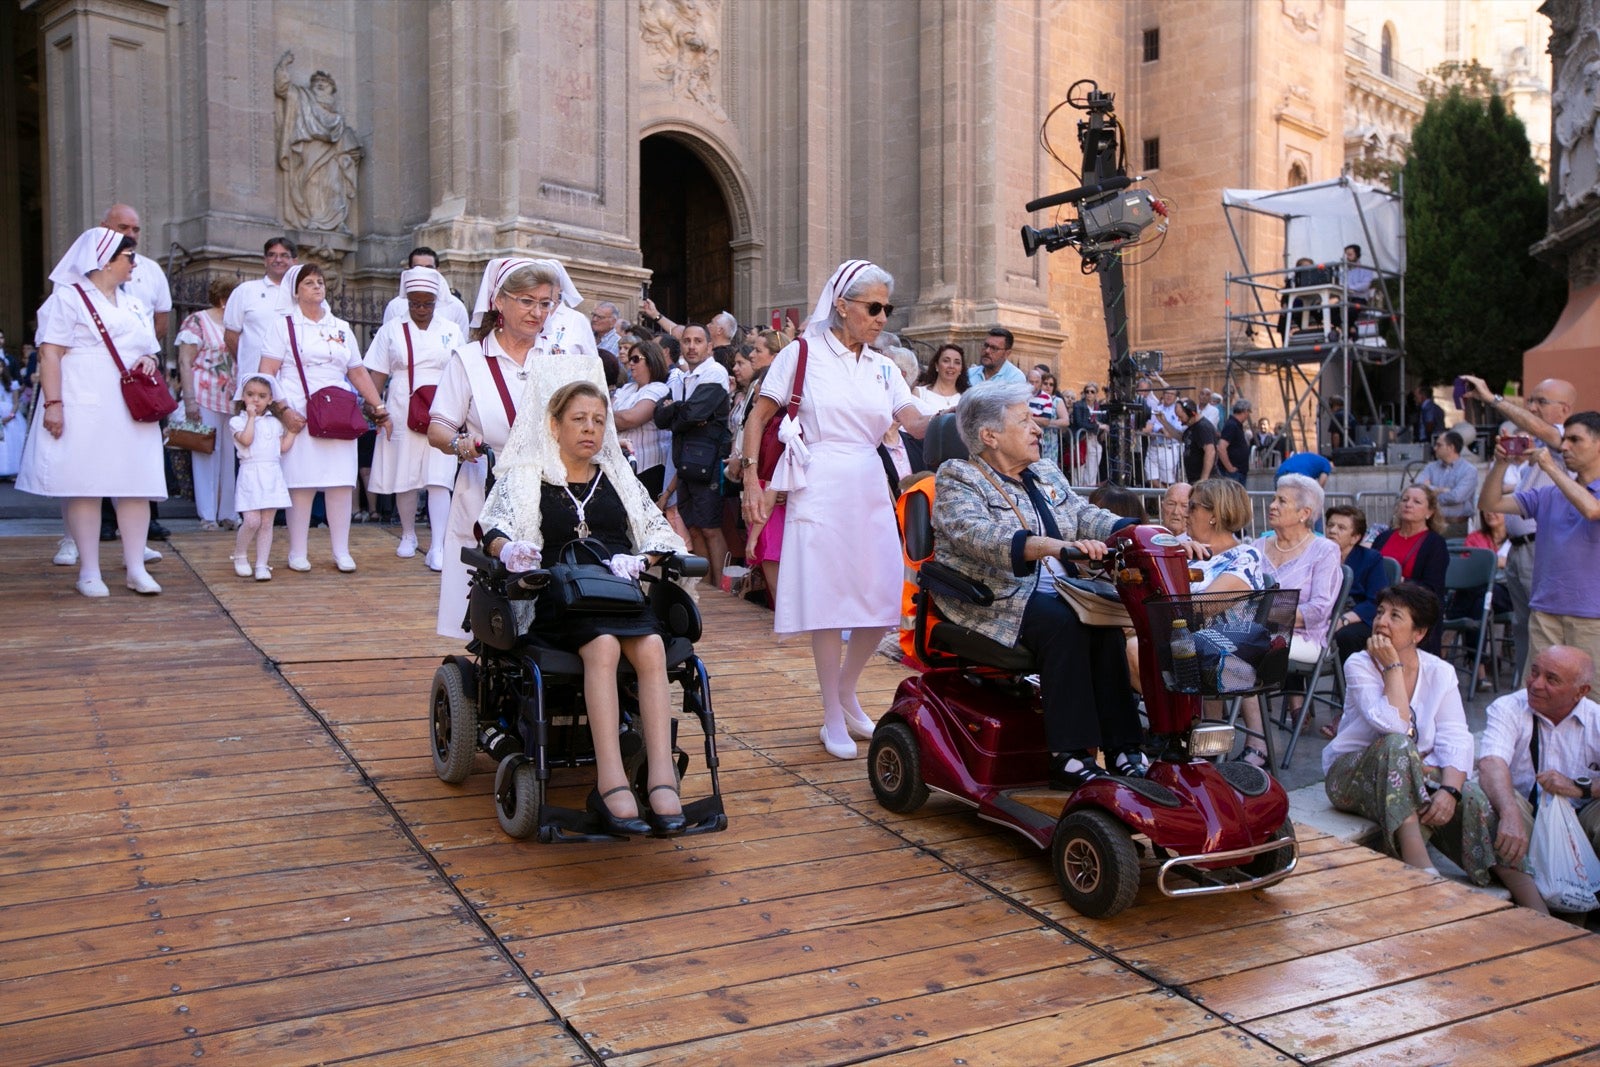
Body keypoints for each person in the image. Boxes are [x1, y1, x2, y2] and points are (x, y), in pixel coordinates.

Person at [739, 260, 932, 759]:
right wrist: (750, 482)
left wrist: (969, 418)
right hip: (818, 480)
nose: (882, 317)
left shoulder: (884, 366)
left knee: (882, 594)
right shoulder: (802, 354)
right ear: (842, 305)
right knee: (827, 601)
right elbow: (759, 417)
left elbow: (913, 422)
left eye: (887, 308)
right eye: (873, 307)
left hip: (868, 482)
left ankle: (847, 690)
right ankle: (830, 713)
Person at [479, 381, 689, 835]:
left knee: (652, 646)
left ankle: (660, 776)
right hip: (558, 594)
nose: (590, 429)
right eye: (579, 420)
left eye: (598, 421)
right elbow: (491, 526)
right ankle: (610, 778)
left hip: (616, 588)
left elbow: (657, 530)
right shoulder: (526, 475)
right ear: (554, 426)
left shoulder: (617, 475)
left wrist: (642, 559)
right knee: (604, 647)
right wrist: (508, 549)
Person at [932, 382, 1146, 786]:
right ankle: (1069, 755)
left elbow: (1084, 515)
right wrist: (1049, 546)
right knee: (1067, 624)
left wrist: (1141, 532)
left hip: (1064, 591)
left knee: (1105, 625)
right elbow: (974, 534)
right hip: (996, 596)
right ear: (989, 436)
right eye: (1024, 420)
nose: (1038, 428)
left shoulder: (1045, 471)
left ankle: (1123, 748)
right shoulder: (959, 476)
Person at [427, 257, 600, 639]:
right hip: (487, 491)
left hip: (551, 493)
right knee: (492, 608)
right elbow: (438, 427)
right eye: (526, 301)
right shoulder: (468, 360)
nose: (537, 312)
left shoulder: (559, 359)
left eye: (545, 303)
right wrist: (462, 444)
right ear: (499, 302)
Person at [1323, 584, 1520, 896]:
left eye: (1395, 616)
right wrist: (1392, 667)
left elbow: (1456, 735)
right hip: (1350, 777)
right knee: (1397, 746)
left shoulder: (1439, 671)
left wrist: (1450, 791)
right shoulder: (1360, 663)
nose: (1381, 621)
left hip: (1413, 772)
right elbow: (1394, 727)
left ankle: (1527, 898)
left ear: (1418, 633)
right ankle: (1419, 865)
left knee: (1471, 795)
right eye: (1380, 612)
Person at [17, 227, 166, 597]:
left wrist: (148, 358)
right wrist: (53, 404)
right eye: (129, 257)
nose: (135, 264)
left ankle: (135, 568)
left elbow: (148, 346)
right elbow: (51, 352)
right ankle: (89, 571)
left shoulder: (132, 302)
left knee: (136, 484)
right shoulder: (67, 298)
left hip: (130, 403)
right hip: (83, 397)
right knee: (85, 484)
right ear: (106, 259)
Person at [256, 263, 391, 574]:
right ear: (295, 291)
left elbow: (357, 371)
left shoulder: (341, 327)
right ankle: (297, 551)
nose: (317, 287)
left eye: (320, 282)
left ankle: (341, 551)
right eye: (309, 283)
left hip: (339, 413)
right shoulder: (283, 326)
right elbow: (267, 373)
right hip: (300, 411)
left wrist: (378, 407)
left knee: (341, 483)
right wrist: (282, 410)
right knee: (301, 483)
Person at [1478, 645, 1600, 914]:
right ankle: (1538, 911)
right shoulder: (1509, 707)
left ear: (1581, 692)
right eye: (1534, 672)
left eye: (1552, 679)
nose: (1536, 684)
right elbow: (1491, 762)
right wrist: (1509, 812)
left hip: (1584, 831)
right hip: (1525, 828)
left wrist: (1582, 788)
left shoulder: (1596, 719)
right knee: (1479, 795)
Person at [1481, 412, 1600, 669]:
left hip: (1593, 617)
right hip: (1546, 611)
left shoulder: (1560, 484)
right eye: (1564, 439)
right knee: (1540, 696)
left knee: (1594, 699)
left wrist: (1550, 468)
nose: (1564, 447)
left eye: (1575, 440)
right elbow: (1490, 503)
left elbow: (1592, 510)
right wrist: (1500, 465)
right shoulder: (1550, 494)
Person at [362, 266, 462, 571]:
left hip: (442, 405)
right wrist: (374, 407)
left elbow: (461, 371)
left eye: (426, 303)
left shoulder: (451, 329)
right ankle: (407, 534)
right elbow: (376, 373)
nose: (420, 309)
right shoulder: (391, 329)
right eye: (414, 303)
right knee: (404, 474)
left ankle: (438, 545)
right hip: (402, 404)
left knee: (439, 477)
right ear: (406, 301)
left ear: (436, 301)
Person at [653, 323, 731, 589]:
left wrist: (677, 410)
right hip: (684, 463)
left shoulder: (715, 373)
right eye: (686, 341)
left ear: (709, 346)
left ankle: (722, 590)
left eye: (698, 341)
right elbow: (660, 417)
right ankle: (706, 587)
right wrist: (681, 411)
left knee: (710, 527)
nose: (691, 346)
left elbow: (692, 414)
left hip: (707, 462)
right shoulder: (681, 377)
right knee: (695, 528)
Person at [1256, 473, 1343, 667]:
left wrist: (1264, 616)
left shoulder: (1324, 550)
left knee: (1243, 648)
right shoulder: (1257, 547)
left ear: (1304, 513)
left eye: (1281, 501)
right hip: (1255, 631)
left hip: (1304, 637)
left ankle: (1248, 697)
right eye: (1273, 499)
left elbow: (1319, 610)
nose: (1272, 506)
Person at [176, 275, 242, 530]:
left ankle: (228, 513)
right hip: (204, 396)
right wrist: (190, 402)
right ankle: (207, 515)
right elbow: (185, 362)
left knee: (229, 457)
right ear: (226, 299)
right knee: (206, 453)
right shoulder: (197, 321)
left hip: (232, 398)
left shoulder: (238, 325)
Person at [229, 373, 296, 581]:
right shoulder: (237, 422)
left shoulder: (274, 423)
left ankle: (262, 564)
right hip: (250, 474)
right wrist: (250, 418)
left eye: (261, 395)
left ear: (270, 399)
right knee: (251, 520)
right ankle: (240, 555)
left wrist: (292, 431)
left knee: (267, 522)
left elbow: (282, 447)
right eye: (250, 394)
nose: (255, 400)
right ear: (243, 396)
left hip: (272, 475)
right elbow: (246, 440)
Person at [1371, 485, 1450, 655]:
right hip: (1377, 606)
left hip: (1414, 609)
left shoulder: (1435, 543)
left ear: (1429, 512)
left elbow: (1432, 588)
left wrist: (1403, 583)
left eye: (1416, 501)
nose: (1408, 504)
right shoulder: (1383, 538)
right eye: (1405, 500)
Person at [224, 237, 298, 382]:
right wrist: (250, 361)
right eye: (272, 255)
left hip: (294, 385)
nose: (278, 259)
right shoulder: (246, 291)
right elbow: (230, 337)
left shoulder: (302, 295)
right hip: (254, 383)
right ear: (265, 261)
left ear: (294, 262)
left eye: (284, 255)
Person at [612, 337, 672, 498]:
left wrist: (605, 418)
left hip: (649, 467)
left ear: (652, 361)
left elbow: (630, 419)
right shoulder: (627, 388)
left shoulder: (659, 389)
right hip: (622, 466)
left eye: (636, 359)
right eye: (630, 359)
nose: (630, 363)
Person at [380, 247, 471, 333]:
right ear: (409, 270)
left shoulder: (455, 307)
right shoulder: (395, 307)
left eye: (429, 268)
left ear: (438, 271)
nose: (423, 272)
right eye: (418, 267)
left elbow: (461, 345)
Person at [1416, 430, 1479, 538]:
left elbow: (1456, 497)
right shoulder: (1431, 467)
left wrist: (1430, 493)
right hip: (1432, 523)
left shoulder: (1469, 470)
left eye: (1439, 445)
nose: (1435, 448)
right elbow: (1418, 488)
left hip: (1456, 526)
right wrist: (1442, 490)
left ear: (1451, 448)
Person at [1027, 364, 1068, 471]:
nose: (1048, 386)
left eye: (1051, 384)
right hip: (1030, 438)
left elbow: (1065, 421)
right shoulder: (1025, 396)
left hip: (1049, 439)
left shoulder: (1055, 400)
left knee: (1047, 469)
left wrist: (1046, 422)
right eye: (1046, 383)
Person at [912, 342, 967, 414]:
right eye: (946, 361)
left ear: (961, 369)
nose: (951, 366)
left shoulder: (966, 398)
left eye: (957, 362)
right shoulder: (919, 394)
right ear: (936, 366)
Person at [1069, 381, 1106, 485]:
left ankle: (1088, 498)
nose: (1089, 394)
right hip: (1081, 441)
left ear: (1096, 394)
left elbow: (1105, 423)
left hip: (1095, 441)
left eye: (1092, 392)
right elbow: (1081, 423)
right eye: (1087, 391)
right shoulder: (1078, 405)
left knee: (1092, 473)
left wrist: (1100, 427)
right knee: (1079, 472)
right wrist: (1098, 425)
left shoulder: (1099, 408)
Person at [1217, 398, 1253, 486]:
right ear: (1244, 411)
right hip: (1233, 474)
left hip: (1238, 472)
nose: (1248, 415)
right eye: (1248, 412)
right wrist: (1229, 468)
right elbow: (1221, 447)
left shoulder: (1236, 425)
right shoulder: (1231, 425)